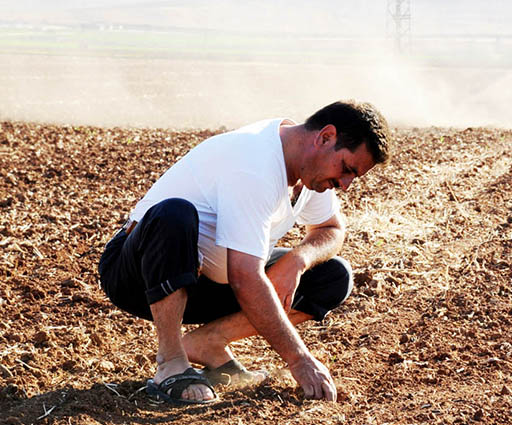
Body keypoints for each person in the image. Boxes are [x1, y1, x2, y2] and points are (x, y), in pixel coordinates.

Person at [97, 100, 391, 404]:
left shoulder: (310, 174)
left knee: (333, 275)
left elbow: (332, 229)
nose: (345, 184)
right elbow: (244, 277)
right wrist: (299, 359)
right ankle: (171, 362)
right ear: (325, 137)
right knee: (174, 214)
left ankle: (209, 341)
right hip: (139, 275)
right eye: (346, 169)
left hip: (210, 281)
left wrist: (298, 260)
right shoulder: (255, 163)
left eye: (353, 176)